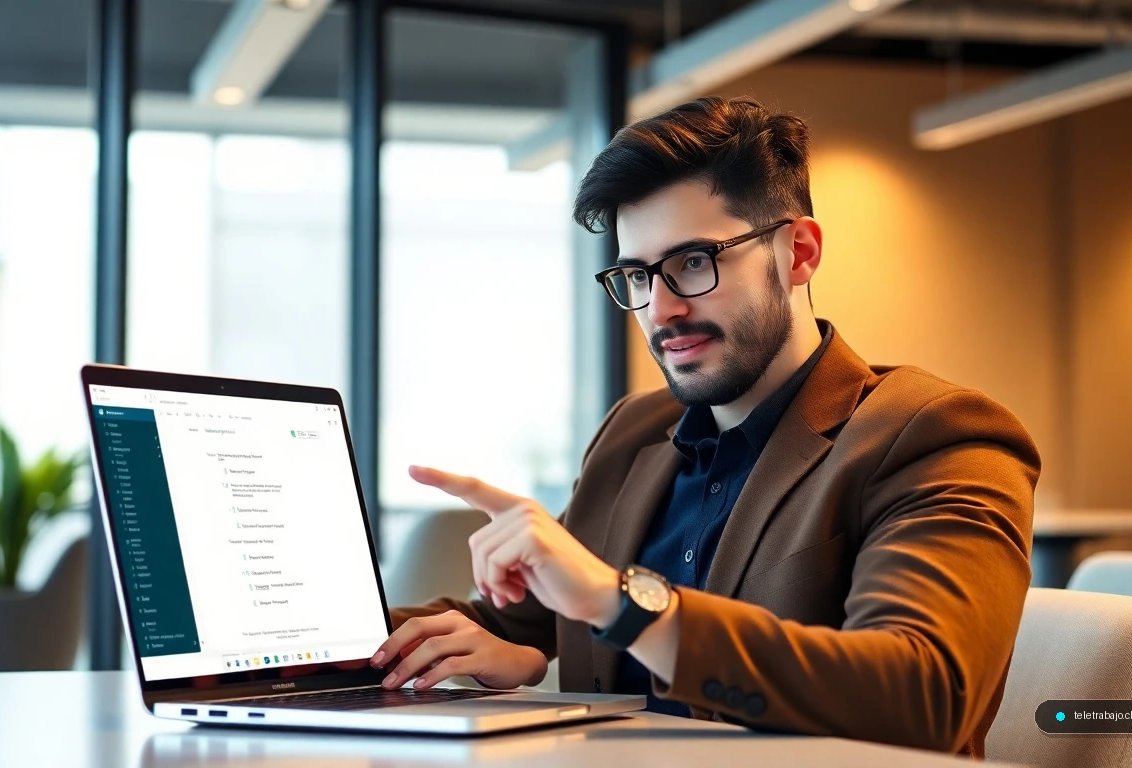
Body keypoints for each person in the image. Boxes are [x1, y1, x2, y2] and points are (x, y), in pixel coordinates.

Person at [373, 96, 1039, 757]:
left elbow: (926, 698)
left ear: (798, 254)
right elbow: (514, 623)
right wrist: (295, 641)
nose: (660, 310)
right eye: (637, 274)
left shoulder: (938, 435)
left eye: (694, 262)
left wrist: (625, 603)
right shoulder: (635, 431)